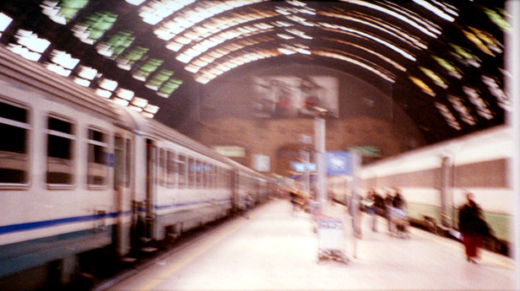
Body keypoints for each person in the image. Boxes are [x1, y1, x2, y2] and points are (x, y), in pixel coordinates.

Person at [458, 192, 485, 263]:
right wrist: (461, 230)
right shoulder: (462, 208)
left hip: (475, 228)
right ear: (467, 198)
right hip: (466, 228)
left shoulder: (476, 206)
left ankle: (472, 257)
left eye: (471, 197)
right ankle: (468, 255)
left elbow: (480, 216)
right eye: (469, 197)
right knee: (468, 243)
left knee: (474, 243)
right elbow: (460, 220)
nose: (470, 199)